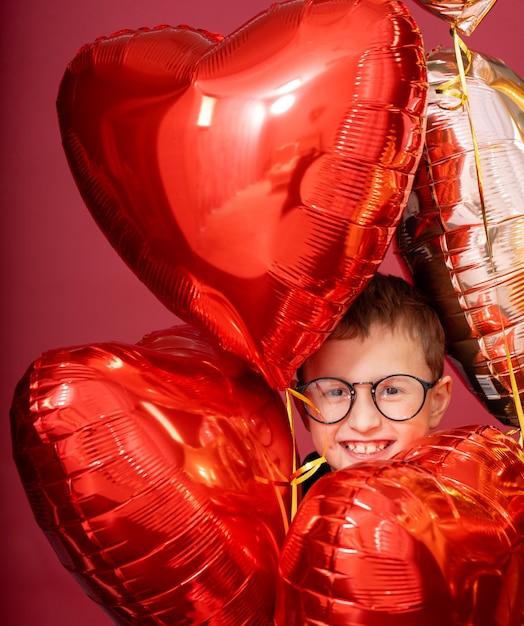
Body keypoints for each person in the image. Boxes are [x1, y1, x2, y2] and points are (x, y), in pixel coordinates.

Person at [294, 271, 453, 495]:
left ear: (436, 402)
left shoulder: (462, 511)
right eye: (336, 392)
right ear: (304, 408)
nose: (364, 423)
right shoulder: (281, 510)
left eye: (391, 390)